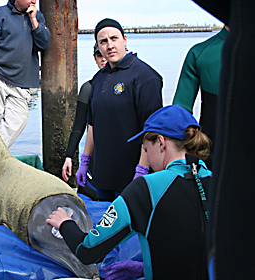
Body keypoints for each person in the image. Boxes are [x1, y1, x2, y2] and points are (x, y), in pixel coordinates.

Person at [47, 104, 212, 279]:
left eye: (146, 150)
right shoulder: (221, 184)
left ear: (161, 143)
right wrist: (144, 267)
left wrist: (64, 222)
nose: (148, 158)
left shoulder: (146, 188)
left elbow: (88, 251)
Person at [190, 1, 255, 279]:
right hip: (217, 162)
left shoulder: (204, 52)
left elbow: (180, 114)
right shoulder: (204, 52)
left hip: (224, 170)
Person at [76, 18, 163, 201]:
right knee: (107, 224)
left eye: (114, 38)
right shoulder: (98, 78)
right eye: (103, 42)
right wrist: (85, 161)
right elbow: (92, 125)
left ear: (125, 39)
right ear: (98, 47)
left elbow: (152, 130)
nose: (110, 45)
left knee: (132, 227)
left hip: (132, 175)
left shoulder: (145, 76)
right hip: (103, 174)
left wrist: (142, 169)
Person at [0, 0, 50, 147]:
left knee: (19, 120)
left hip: (22, 83)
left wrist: (33, 20)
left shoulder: (37, 17)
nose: (33, 0)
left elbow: (43, 44)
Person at [172, 25, 229, 168]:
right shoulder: (199, 53)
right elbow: (180, 113)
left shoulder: (201, 53)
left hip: (213, 158)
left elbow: (179, 116)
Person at [61, 45, 106, 184]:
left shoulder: (127, 85)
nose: (103, 58)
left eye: (105, 54)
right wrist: (69, 156)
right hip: (97, 154)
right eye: (99, 55)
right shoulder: (88, 88)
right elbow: (78, 126)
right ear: (95, 58)